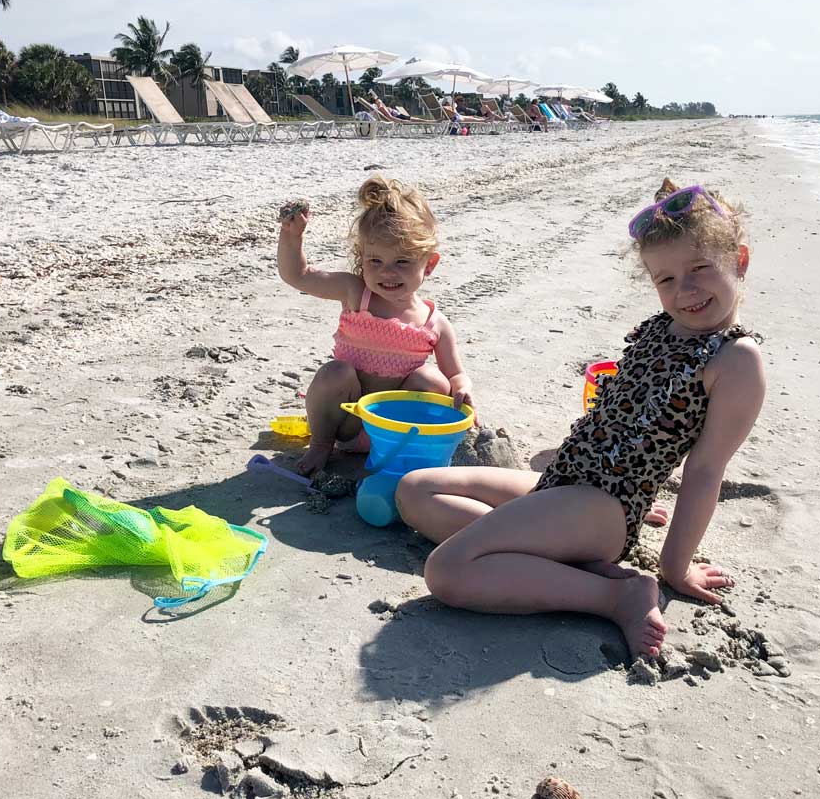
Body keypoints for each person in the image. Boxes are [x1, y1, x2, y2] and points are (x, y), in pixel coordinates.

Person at [396, 179, 765, 658]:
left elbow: (704, 470)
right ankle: (558, 564)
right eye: (666, 280)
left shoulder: (736, 359)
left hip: (600, 509)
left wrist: (676, 568)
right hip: (567, 484)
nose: (685, 291)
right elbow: (625, 422)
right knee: (414, 489)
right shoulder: (662, 328)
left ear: (739, 260)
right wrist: (638, 489)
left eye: (700, 268)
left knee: (446, 571)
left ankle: (618, 595)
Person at [277, 177, 475, 476]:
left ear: (429, 265)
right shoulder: (355, 293)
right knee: (335, 372)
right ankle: (321, 444)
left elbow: (456, 374)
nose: (387, 272)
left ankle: (404, 455)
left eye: (403, 262)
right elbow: (299, 276)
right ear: (362, 259)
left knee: (433, 381)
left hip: (393, 429)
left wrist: (462, 387)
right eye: (375, 260)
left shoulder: (435, 322)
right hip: (347, 423)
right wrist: (292, 238)